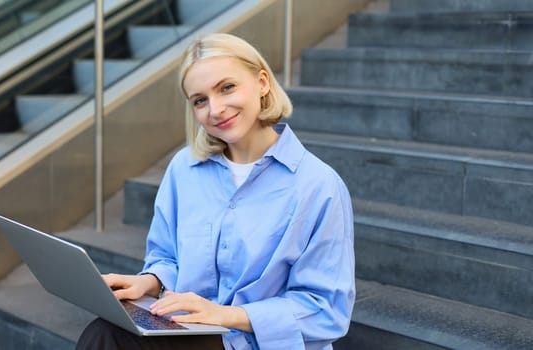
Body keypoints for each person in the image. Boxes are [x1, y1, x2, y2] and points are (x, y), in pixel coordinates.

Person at [77, 33, 355, 350]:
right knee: (105, 333)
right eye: (200, 100)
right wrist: (149, 281)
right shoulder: (184, 169)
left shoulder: (318, 185)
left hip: (257, 343)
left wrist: (227, 315)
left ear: (262, 82)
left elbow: (326, 310)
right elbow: (167, 257)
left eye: (227, 88)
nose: (216, 109)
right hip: (187, 332)